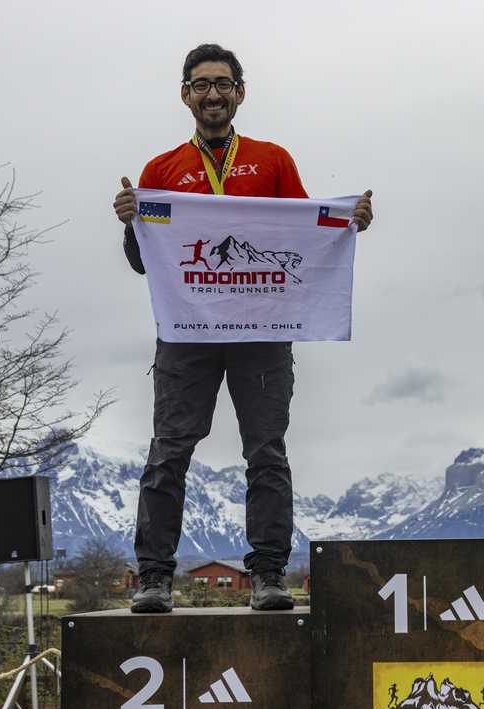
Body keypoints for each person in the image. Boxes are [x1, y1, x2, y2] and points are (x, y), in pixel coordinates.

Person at [113, 43, 372, 613]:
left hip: (262, 334)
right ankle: (154, 578)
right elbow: (143, 263)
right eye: (202, 84)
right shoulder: (160, 171)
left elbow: (304, 235)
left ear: (240, 93)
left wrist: (349, 224)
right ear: (185, 95)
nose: (213, 93)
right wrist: (133, 225)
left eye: (223, 83)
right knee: (168, 453)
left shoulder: (272, 160)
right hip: (187, 334)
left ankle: (269, 576)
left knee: (267, 452)